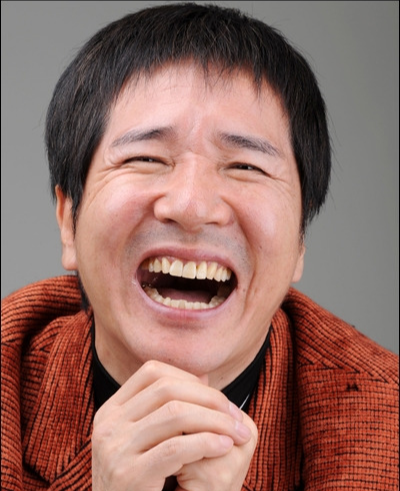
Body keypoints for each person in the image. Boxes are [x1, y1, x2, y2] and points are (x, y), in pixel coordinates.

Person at [1, 3, 398, 490]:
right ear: (69, 220)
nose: (191, 206)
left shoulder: (384, 429)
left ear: (299, 240)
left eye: (245, 166)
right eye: (146, 158)